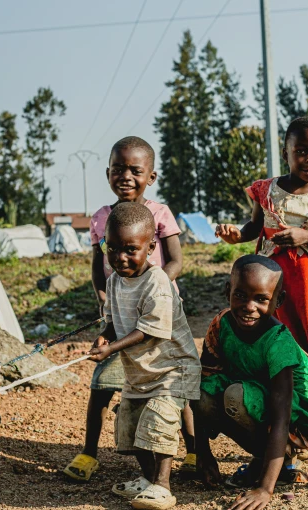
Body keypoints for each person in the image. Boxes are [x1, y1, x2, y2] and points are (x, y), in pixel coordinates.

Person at [215, 116, 308, 458]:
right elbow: (253, 228)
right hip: (271, 290)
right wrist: (237, 235)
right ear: (287, 152)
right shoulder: (265, 190)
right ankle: (291, 434)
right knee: (279, 358)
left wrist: (306, 236)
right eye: (303, 151)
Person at [63, 136, 197, 482]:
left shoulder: (160, 213)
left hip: (158, 314)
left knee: (172, 385)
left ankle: (195, 451)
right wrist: (104, 298)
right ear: (108, 173)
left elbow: (176, 261)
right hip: (120, 315)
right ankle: (89, 452)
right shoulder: (101, 218)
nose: (126, 176)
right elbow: (98, 265)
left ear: (150, 177)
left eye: (135, 170)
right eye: (118, 169)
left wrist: (150, 291)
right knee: (103, 384)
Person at [194, 255, 308, 510]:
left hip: (294, 420)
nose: (249, 307)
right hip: (252, 394)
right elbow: (203, 381)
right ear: (228, 291)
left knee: (235, 395)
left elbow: (282, 417)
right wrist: (203, 456)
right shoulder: (221, 325)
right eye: (240, 295)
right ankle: (268, 458)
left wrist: (265, 489)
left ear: (278, 301)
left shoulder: (278, 342)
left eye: (261, 299)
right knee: (199, 393)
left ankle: (277, 459)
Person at [87, 202, 201, 510]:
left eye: (130, 250)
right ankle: (148, 479)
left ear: (150, 247)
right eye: (112, 249)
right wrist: (104, 337)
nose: (119, 258)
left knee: (159, 424)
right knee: (130, 427)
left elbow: (150, 331)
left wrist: (111, 349)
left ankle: (163, 486)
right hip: (140, 372)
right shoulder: (114, 282)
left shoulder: (157, 282)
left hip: (171, 370)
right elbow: (112, 322)